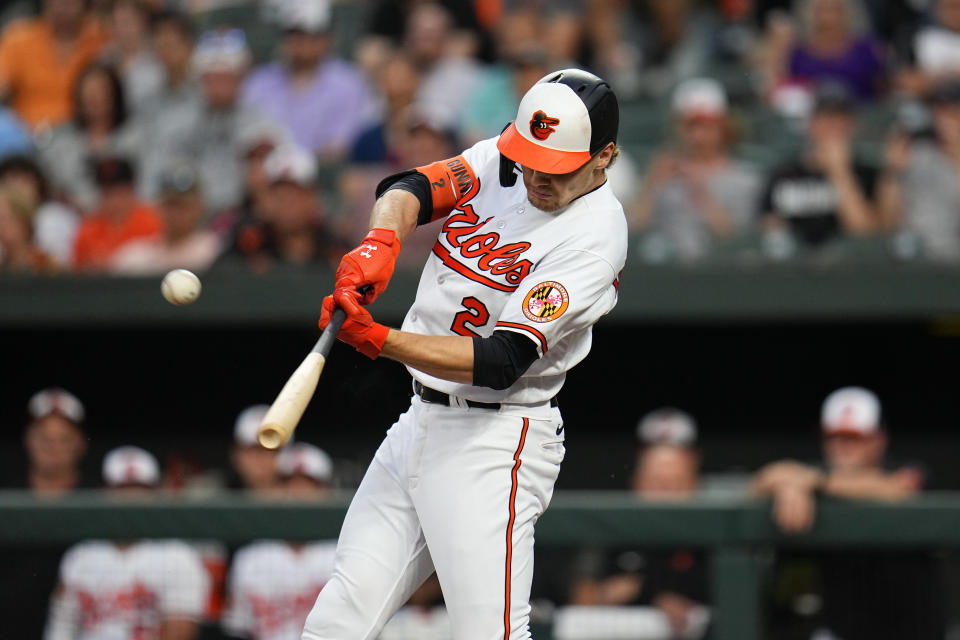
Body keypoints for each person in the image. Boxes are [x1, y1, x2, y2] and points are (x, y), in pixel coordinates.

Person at [302, 68, 626, 640]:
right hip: (420, 419)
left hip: (496, 438)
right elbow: (411, 187)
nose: (533, 177)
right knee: (336, 622)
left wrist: (381, 340)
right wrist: (381, 240)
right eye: (528, 160)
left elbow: (501, 360)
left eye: (555, 168)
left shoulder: (596, 234)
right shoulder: (511, 157)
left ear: (605, 157)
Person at [753, 386, 944, 640]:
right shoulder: (814, 477)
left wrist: (812, 481)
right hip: (840, 630)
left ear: (878, 439)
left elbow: (900, 488)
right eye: (834, 437)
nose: (841, 447)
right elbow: (764, 478)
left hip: (910, 630)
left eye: (853, 438)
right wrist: (789, 487)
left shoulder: (903, 470)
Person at [564, 409, 709, 639]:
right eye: (656, 482)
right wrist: (646, 594)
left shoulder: (709, 534)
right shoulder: (613, 527)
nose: (665, 494)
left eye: (675, 484)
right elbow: (583, 597)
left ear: (694, 483)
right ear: (636, 481)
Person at [45, 445, 211, 640]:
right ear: (105, 493)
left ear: (156, 494)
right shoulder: (80, 556)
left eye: (140, 489)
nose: (131, 498)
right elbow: (60, 630)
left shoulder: (178, 556)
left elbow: (180, 633)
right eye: (121, 489)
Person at [631, 78, 761, 261]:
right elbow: (634, 228)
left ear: (724, 127)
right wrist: (653, 184)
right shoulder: (663, 173)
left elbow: (735, 238)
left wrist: (698, 189)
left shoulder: (744, 178)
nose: (699, 134)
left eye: (708, 125)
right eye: (691, 125)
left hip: (719, 272)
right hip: (664, 271)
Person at [222, 443, 337, 640]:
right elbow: (237, 630)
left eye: (309, 485)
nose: (298, 493)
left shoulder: (343, 554)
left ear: (325, 491)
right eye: (288, 483)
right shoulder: (250, 559)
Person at [241, 0, 373, 162]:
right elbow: (248, 137)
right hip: (269, 172)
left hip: (324, 173)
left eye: (312, 35)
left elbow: (340, 146)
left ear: (327, 38)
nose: (304, 43)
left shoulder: (349, 82)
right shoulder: (260, 81)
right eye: (296, 34)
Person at [759, 82, 879, 251]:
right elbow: (769, 230)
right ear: (810, 124)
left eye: (840, 119)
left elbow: (864, 234)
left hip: (851, 269)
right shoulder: (784, 174)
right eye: (825, 118)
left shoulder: (867, 172)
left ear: (853, 126)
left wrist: (839, 171)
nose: (832, 126)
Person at [217, 144, 344, 272]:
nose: (286, 204)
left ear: (311, 198)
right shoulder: (249, 244)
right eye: (278, 195)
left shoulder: (334, 249)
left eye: (294, 195)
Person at [37, 62, 141, 212]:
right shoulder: (62, 139)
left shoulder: (136, 135)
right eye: (89, 93)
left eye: (101, 92)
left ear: (114, 95)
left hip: (128, 213)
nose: (94, 98)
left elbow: (146, 182)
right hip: (75, 213)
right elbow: (57, 182)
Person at [878, 78, 960, 260]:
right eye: (941, 109)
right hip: (921, 264)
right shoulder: (914, 153)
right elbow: (886, 223)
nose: (948, 116)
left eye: (955, 108)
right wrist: (892, 173)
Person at [0, 0, 109, 130]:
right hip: (26, 134)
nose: (62, 6)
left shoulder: (102, 40)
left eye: (70, 2)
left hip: (82, 134)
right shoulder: (19, 38)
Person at [756, 0, 885, 104]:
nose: (828, 17)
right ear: (810, 14)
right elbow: (778, 89)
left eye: (835, 10)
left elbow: (884, 89)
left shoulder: (866, 49)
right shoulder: (796, 53)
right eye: (822, 10)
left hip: (863, 117)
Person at [111, 161, 220, 274]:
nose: (175, 214)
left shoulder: (213, 251)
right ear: (158, 206)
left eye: (182, 206)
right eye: (170, 205)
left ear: (199, 207)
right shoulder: (135, 255)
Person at [72, 156, 163, 271]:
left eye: (119, 192)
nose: (114, 200)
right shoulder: (88, 228)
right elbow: (76, 271)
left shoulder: (153, 220)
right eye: (108, 192)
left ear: (132, 189)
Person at [19, 387, 91, 493]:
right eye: (44, 439)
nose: (53, 449)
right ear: (28, 440)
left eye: (64, 440)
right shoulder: (6, 496)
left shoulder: (99, 498)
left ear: (81, 444)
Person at [0, 185, 56, 272]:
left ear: (24, 220)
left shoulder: (46, 264)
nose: (2, 225)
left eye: (5, 218)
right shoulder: (3, 265)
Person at [228, 404, 281, 494]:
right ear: (236, 454)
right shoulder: (214, 499)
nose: (264, 459)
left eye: (272, 450)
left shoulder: (303, 499)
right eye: (254, 450)